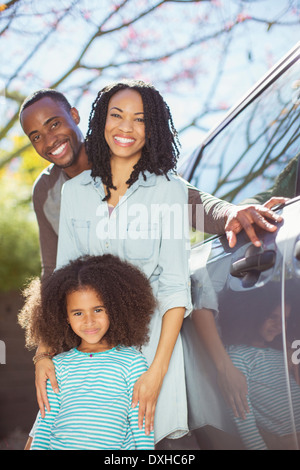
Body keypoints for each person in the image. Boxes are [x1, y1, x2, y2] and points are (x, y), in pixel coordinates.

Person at [19, 86, 286, 446]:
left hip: (158, 316)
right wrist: (45, 351)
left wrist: (228, 212)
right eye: (36, 136)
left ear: (76, 117)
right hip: (94, 330)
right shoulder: (50, 191)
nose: (49, 140)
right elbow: (55, 270)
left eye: (54, 124)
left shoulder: (123, 149)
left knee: (167, 430)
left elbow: (187, 200)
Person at [18, 254, 156, 450]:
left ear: (113, 309)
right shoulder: (57, 365)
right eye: (78, 313)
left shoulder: (132, 362)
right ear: (65, 317)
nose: (89, 321)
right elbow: (45, 423)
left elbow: (141, 426)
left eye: (98, 310)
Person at [218, 285, 300, 450]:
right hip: (285, 440)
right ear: (252, 315)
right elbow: (243, 418)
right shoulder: (239, 356)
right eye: (272, 317)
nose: (279, 325)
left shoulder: (282, 350)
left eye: (284, 320)